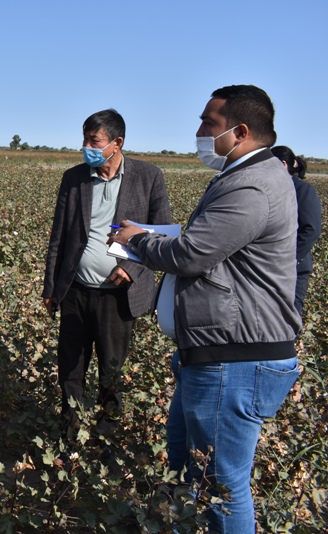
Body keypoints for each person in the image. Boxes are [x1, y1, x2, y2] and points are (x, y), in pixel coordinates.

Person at [110, 85, 301, 533]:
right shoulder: (243, 176)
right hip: (216, 354)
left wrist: (137, 240)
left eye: (207, 124)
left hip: (236, 359)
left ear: (240, 131)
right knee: (183, 460)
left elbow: (192, 255)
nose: (198, 132)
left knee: (223, 485)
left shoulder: (252, 185)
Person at [42, 109, 171, 440]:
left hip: (117, 296)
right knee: (70, 366)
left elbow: (162, 235)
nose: (86, 146)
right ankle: (70, 434)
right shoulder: (75, 178)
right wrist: (51, 287)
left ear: (117, 143)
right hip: (75, 290)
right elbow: (59, 236)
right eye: (84, 138)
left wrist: (130, 267)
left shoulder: (148, 177)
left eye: (93, 140)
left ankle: (104, 439)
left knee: (111, 371)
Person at [271, 145, 322, 316]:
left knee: (288, 320)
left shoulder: (303, 190)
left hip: (294, 268)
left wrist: (287, 259)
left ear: (283, 165)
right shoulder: (272, 190)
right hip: (272, 267)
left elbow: (311, 230)